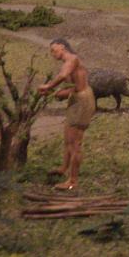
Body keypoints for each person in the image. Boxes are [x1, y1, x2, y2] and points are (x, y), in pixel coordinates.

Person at [38, 38, 96, 191]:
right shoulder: (71, 63)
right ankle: (64, 168)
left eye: (53, 49)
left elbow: (63, 76)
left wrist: (48, 86)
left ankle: (73, 181)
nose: (52, 53)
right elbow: (73, 87)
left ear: (62, 47)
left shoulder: (72, 59)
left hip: (82, 102)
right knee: (68, 139)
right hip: (76, 99)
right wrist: (54, 93)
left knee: (74, 143)